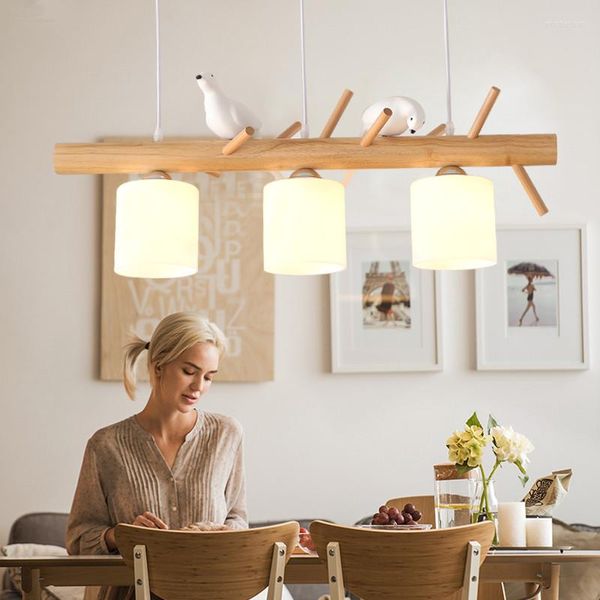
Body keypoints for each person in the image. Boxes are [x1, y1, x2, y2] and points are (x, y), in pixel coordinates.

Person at [66, 312, 246, 598]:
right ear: (158, 364)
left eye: (209, 377)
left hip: (210, 591)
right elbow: (77, 539)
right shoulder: (106, 445)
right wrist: (121, 535)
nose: (199, 387)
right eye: (189, 371)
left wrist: (224, 532)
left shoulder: (226, 434)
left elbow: (238, 517)